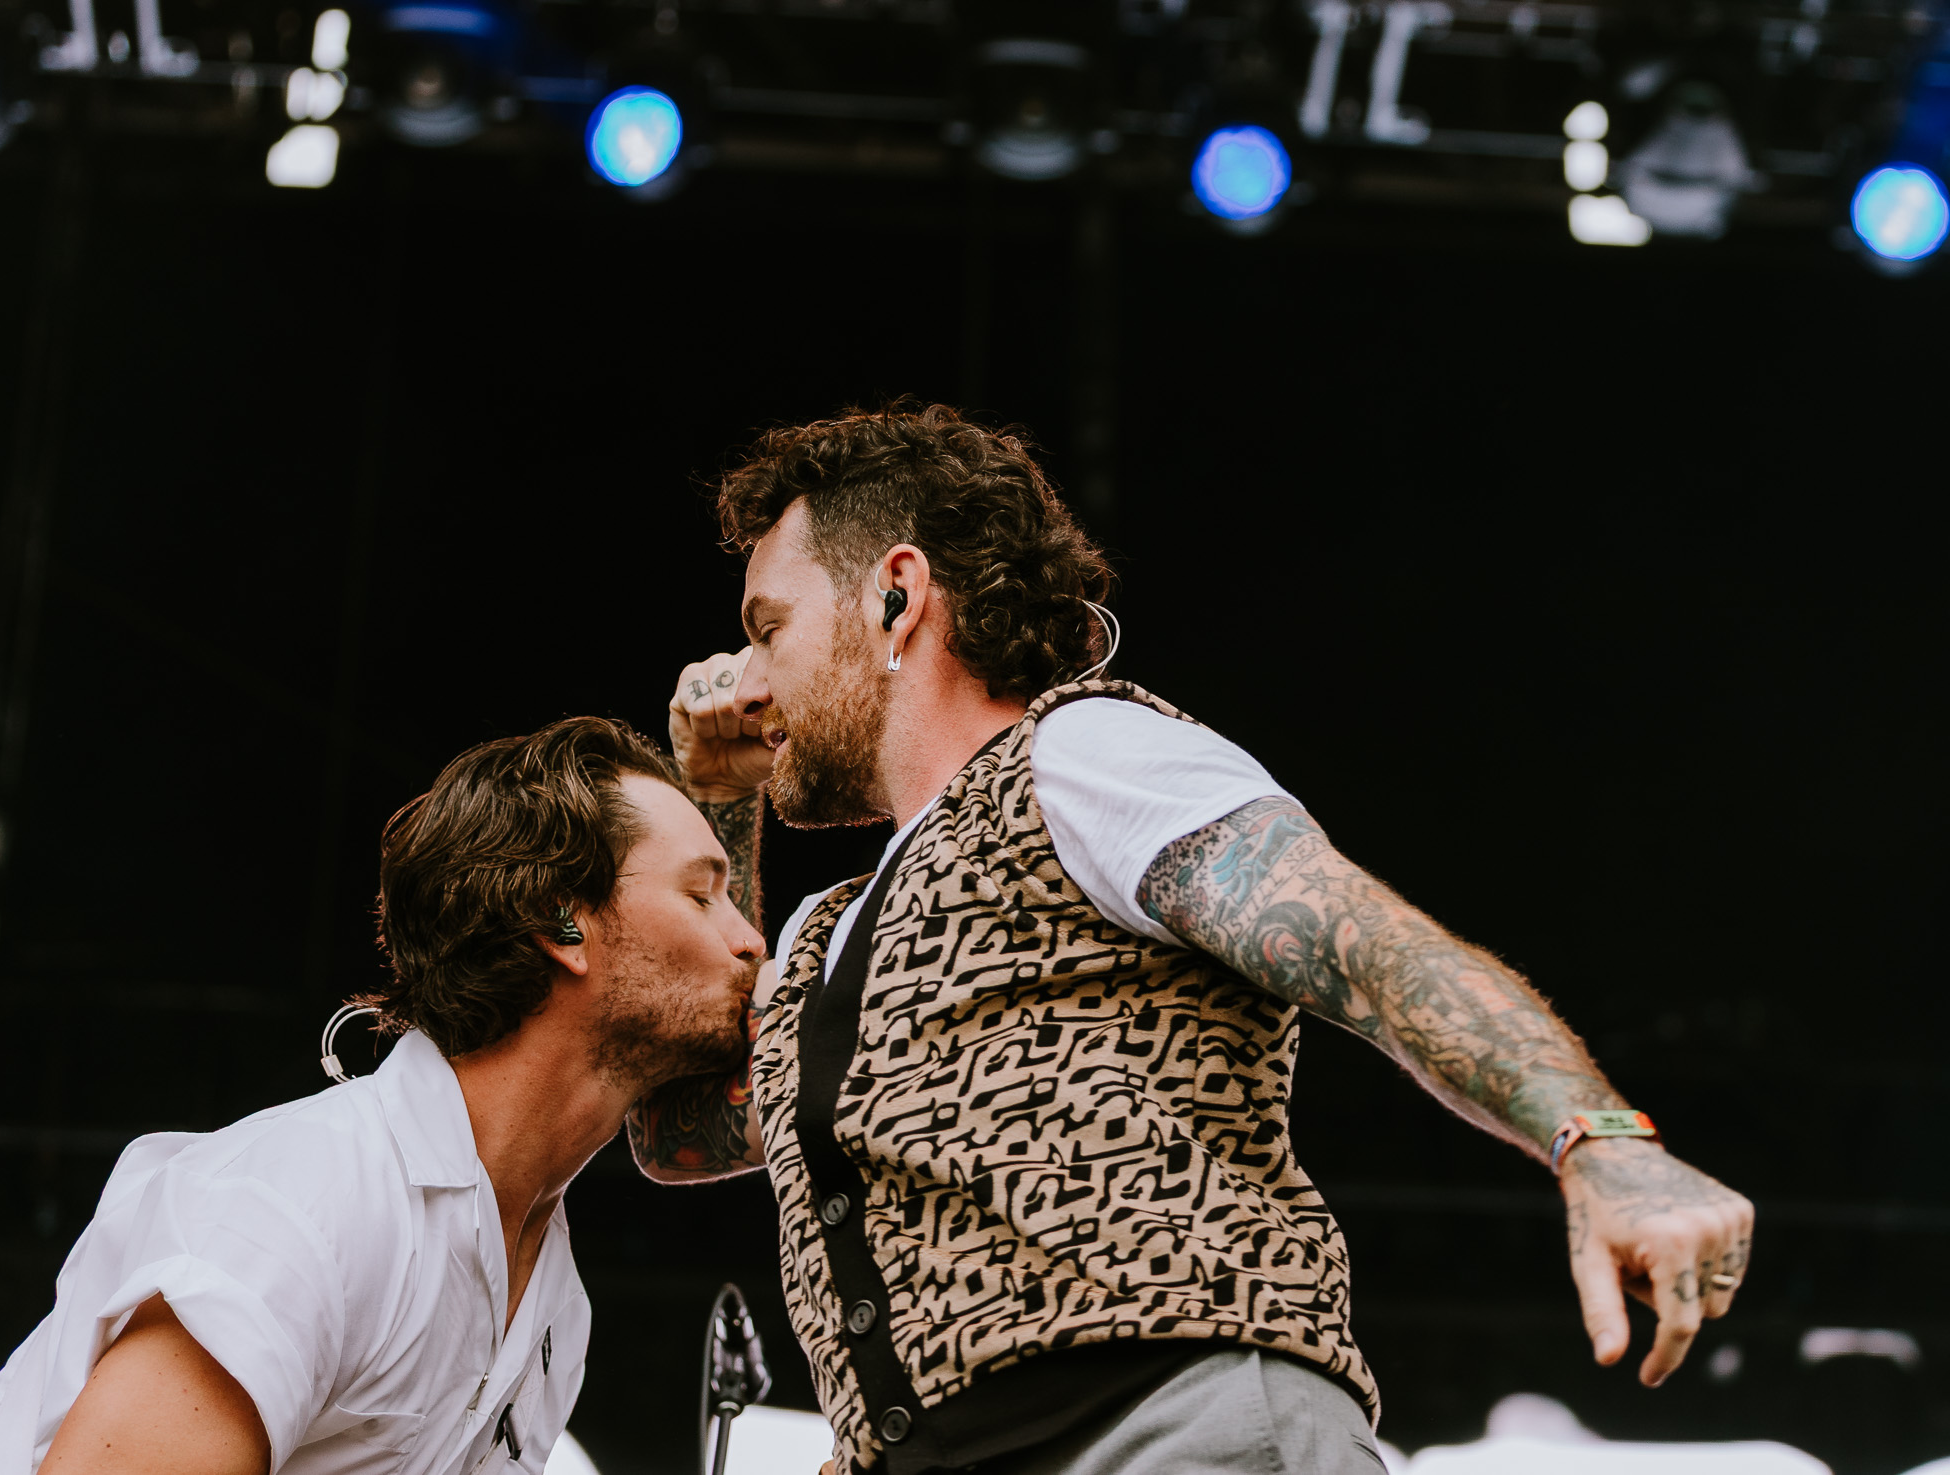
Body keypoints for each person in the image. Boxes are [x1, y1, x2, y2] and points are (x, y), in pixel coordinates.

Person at [631, 406, 1755, 1475]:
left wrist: (1599, 1141)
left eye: (769, 628)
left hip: (1168, 1429)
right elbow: (681, 1129)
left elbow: (1362, 946)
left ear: (897, 596)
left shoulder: (1084, 759)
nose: (748, 679)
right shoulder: (832, 933)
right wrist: (718, 800)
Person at [0, 717, 762, 1475]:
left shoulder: (553, 1304)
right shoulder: (313, 1201)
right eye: (701, 894)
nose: (751, 938)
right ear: (561, 920)